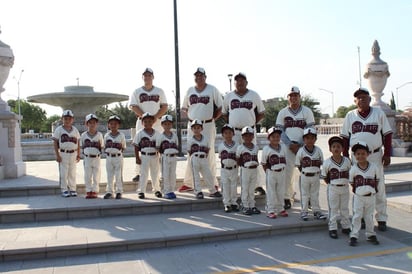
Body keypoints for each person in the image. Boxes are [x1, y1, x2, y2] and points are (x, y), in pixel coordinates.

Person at [341, 87, 392, 232]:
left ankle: (381, 218)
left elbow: (387, 134)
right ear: (355, 100)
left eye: (364, 97)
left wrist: (387, 153)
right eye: (358, 97)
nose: (361, 99)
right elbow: (345, 138)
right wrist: (345, 156)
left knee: (378, 186)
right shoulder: (350, 115)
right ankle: (361, 217)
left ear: (369, 99)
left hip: (374, 155)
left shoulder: (378, 113)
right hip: (356, 157)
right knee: (359, 187)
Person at [179, 67, 223, 193]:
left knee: (209, 153)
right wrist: (191, 119)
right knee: (191, 153)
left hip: (207, 124)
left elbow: (220, 107)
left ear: (205, 77)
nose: (199, 77)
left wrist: (212, 118)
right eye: (196, 75)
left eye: (201, 75)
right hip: (192, 125)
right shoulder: (190, 90)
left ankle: (213, 183)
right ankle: (189, 183)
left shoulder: (212, 89)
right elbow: (185, 108)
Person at [222, 72, 266, 195]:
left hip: (250, 132)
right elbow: (224, 113)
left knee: (251, 158)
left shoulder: (254, 95)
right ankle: (233, 186)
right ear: (234, 82)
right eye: (237, 80)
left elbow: (261, 112)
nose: (240, 82)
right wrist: (232, 124)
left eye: (242, 80)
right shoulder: (229, 96)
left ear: (246, 82)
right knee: (233, 157)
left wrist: (252, 123)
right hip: (234, 132)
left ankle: (257, 185)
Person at [276, 86, 315, 210]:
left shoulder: (307, 111)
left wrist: (299, 144)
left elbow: (311, 129)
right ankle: (287, 197)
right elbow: (279, 130)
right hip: (288, 146)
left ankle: (308, 199)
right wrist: (290, 144)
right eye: (291, 95)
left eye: (295, 95)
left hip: (304, 146)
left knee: (307, 173)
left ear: (299, 97)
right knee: (287, 173)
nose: (293, 98)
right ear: (288, 98)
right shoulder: (283, 112)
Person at [129, 68, 168, 183]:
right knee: (140, 147)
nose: (147, 77)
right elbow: (133, 106)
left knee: (160, 147)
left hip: (157, 123)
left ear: (153, 77)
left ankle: (162, 173)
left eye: (149, 75)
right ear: (142, 77)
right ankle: (138, 173)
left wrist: (154, 118)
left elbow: (164, 106)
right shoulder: (137, 91)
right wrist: (146, 118)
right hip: (142, 122)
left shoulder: (159, 91)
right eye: (145, 75)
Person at [349, 141, 381, 246]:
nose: (360, 156)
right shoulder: (353, 169)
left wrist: (371, 190)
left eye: (363, 153)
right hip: (359, 196)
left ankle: (370, 234)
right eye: (358, 154)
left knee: (369, 216)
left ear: (368, 154)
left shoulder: (374, 167)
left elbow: (377, 180)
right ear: (354, 155)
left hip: (370, 196)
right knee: (357, 216)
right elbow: (352, 182)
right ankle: (354, 235)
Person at [321, 136, 351, 239]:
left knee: (344, 208)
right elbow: (325, 177)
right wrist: (331, 184)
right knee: (333, 209)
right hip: (333, 187)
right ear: (330, 149)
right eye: (333, 146)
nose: (336, 149)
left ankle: (346, 226)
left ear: (342, 149)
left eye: (338, 146)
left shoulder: (347, 161)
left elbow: (350, 173)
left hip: (345, 187)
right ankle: (332, 228)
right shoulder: (327, 162)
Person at [295, 127, 326, 221]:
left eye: (312, 138)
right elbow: (298, 164)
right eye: (307, 138)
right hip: (305, 175)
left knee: (315, 194)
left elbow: (321, 163)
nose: (309, 140)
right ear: (304, 139)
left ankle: (316, 211)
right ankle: (304, 211)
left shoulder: (318, 150)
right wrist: (304, 172)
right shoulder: (301, 151)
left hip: (316, 175)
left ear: (315, 139)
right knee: (305, 194)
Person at [187, 119, 222, 199]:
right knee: (196, 176)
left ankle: (213, 191)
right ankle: (198, 191)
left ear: (201, 129)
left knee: (208, 174)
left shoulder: (205, 139)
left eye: (198, 128)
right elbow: (189, 151)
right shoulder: (190, 139)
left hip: (203, 158)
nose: (196, 129)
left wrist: (204, 157)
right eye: (194, 128)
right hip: (195, 158)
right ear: (192, 129)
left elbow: (208, 149)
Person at [261, 126, 288, 219]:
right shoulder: (266, 149)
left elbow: (285, 160)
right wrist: (268, 172)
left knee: (281, 191)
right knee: (271, 191)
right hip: (271, 172)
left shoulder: (283, 147)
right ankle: (270, 209)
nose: (276, 138)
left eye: (277, 136)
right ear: (269, 138)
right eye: (273, 136)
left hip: (281, 172)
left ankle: (281, 208)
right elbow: (264, 163)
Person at [132, 112, 161, 199]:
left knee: (155, 174)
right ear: (142, 123)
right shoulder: (140, 133)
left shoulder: (157, 133)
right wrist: (137, 158)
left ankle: (157, 190)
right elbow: (136, 146)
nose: (148, 123)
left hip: (155, 156)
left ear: (153, 122)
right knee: (143, 174)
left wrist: (160, 157)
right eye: (146, 121)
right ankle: (141, 191)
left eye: (150, 121)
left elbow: (159, 146)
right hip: (144, 155)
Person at [52, 110, 80, 197]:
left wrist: (78, 154)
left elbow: (78, 143)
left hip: (73, 153)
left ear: (72, 120)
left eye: (69, 119)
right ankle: (64, 189)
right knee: (64, 173)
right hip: (63, 153)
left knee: (72, 172)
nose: (67, 120)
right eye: (65, 118)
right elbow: (55, 143)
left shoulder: (75, 130)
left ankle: (72, 188)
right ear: (62, 119)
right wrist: (57, 155)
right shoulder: (59, 129)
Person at [237, 126, 261, 215]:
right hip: (245, 169)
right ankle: (244, 205)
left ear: (253, 136)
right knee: (245, 188)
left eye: (250, 135)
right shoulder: (240, 147)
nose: (248, 137)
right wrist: (243, 166)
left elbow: (256, 158)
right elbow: (238, 159)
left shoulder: (255, 147)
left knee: (251, 188)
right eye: (245, 136)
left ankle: (252, 205)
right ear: (242, 137)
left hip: (254, 169)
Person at [80, 114, 104, 199]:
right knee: (87, 175)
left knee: (96, 175)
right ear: (87, 124)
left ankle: (95, 191)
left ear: (96, 124)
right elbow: (81, 146)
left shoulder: (99, 135)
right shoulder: (83, 135)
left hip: (97, 157)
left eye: (94, 122)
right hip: (87, 157)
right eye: (90, 122)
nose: (92, 124)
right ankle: (88, 191)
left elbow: (102, 146)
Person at [218, 124, 239, 213]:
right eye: (225, 133)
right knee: (225, 186)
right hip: (224, 169)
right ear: (223, 135)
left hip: (234, 168)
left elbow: (238, 157)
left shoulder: (237, 145)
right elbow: (220, 156)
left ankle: (234, 202)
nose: (228, 135)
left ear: (233, 134)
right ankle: (227, 204)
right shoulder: (221, 146)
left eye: (230, 132)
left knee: (234, 186)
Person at [103, 115, 126, 200]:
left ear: (118, 125)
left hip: (118, 157)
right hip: (109, 157)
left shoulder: (121, 135)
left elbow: (123, 147)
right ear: (109, 125)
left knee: (118, 175)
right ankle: (109, 191)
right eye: (111, 124)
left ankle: (119, 191)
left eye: (115, 124)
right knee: (109, 175)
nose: (113, 125)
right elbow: (105, 146)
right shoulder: (106, 135)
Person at [157, 114, 179, 199]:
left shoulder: (174, 135)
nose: (167, 126)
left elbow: (176, 145)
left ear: (172, 124)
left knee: (173, 174)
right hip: (165, 156)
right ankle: (166, 191)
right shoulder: (160, 136)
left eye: (169, 124)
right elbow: (158, 148)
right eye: (165, 124)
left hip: (173, 156)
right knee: (165, 174)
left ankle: (171, 190)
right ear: (162, 125)